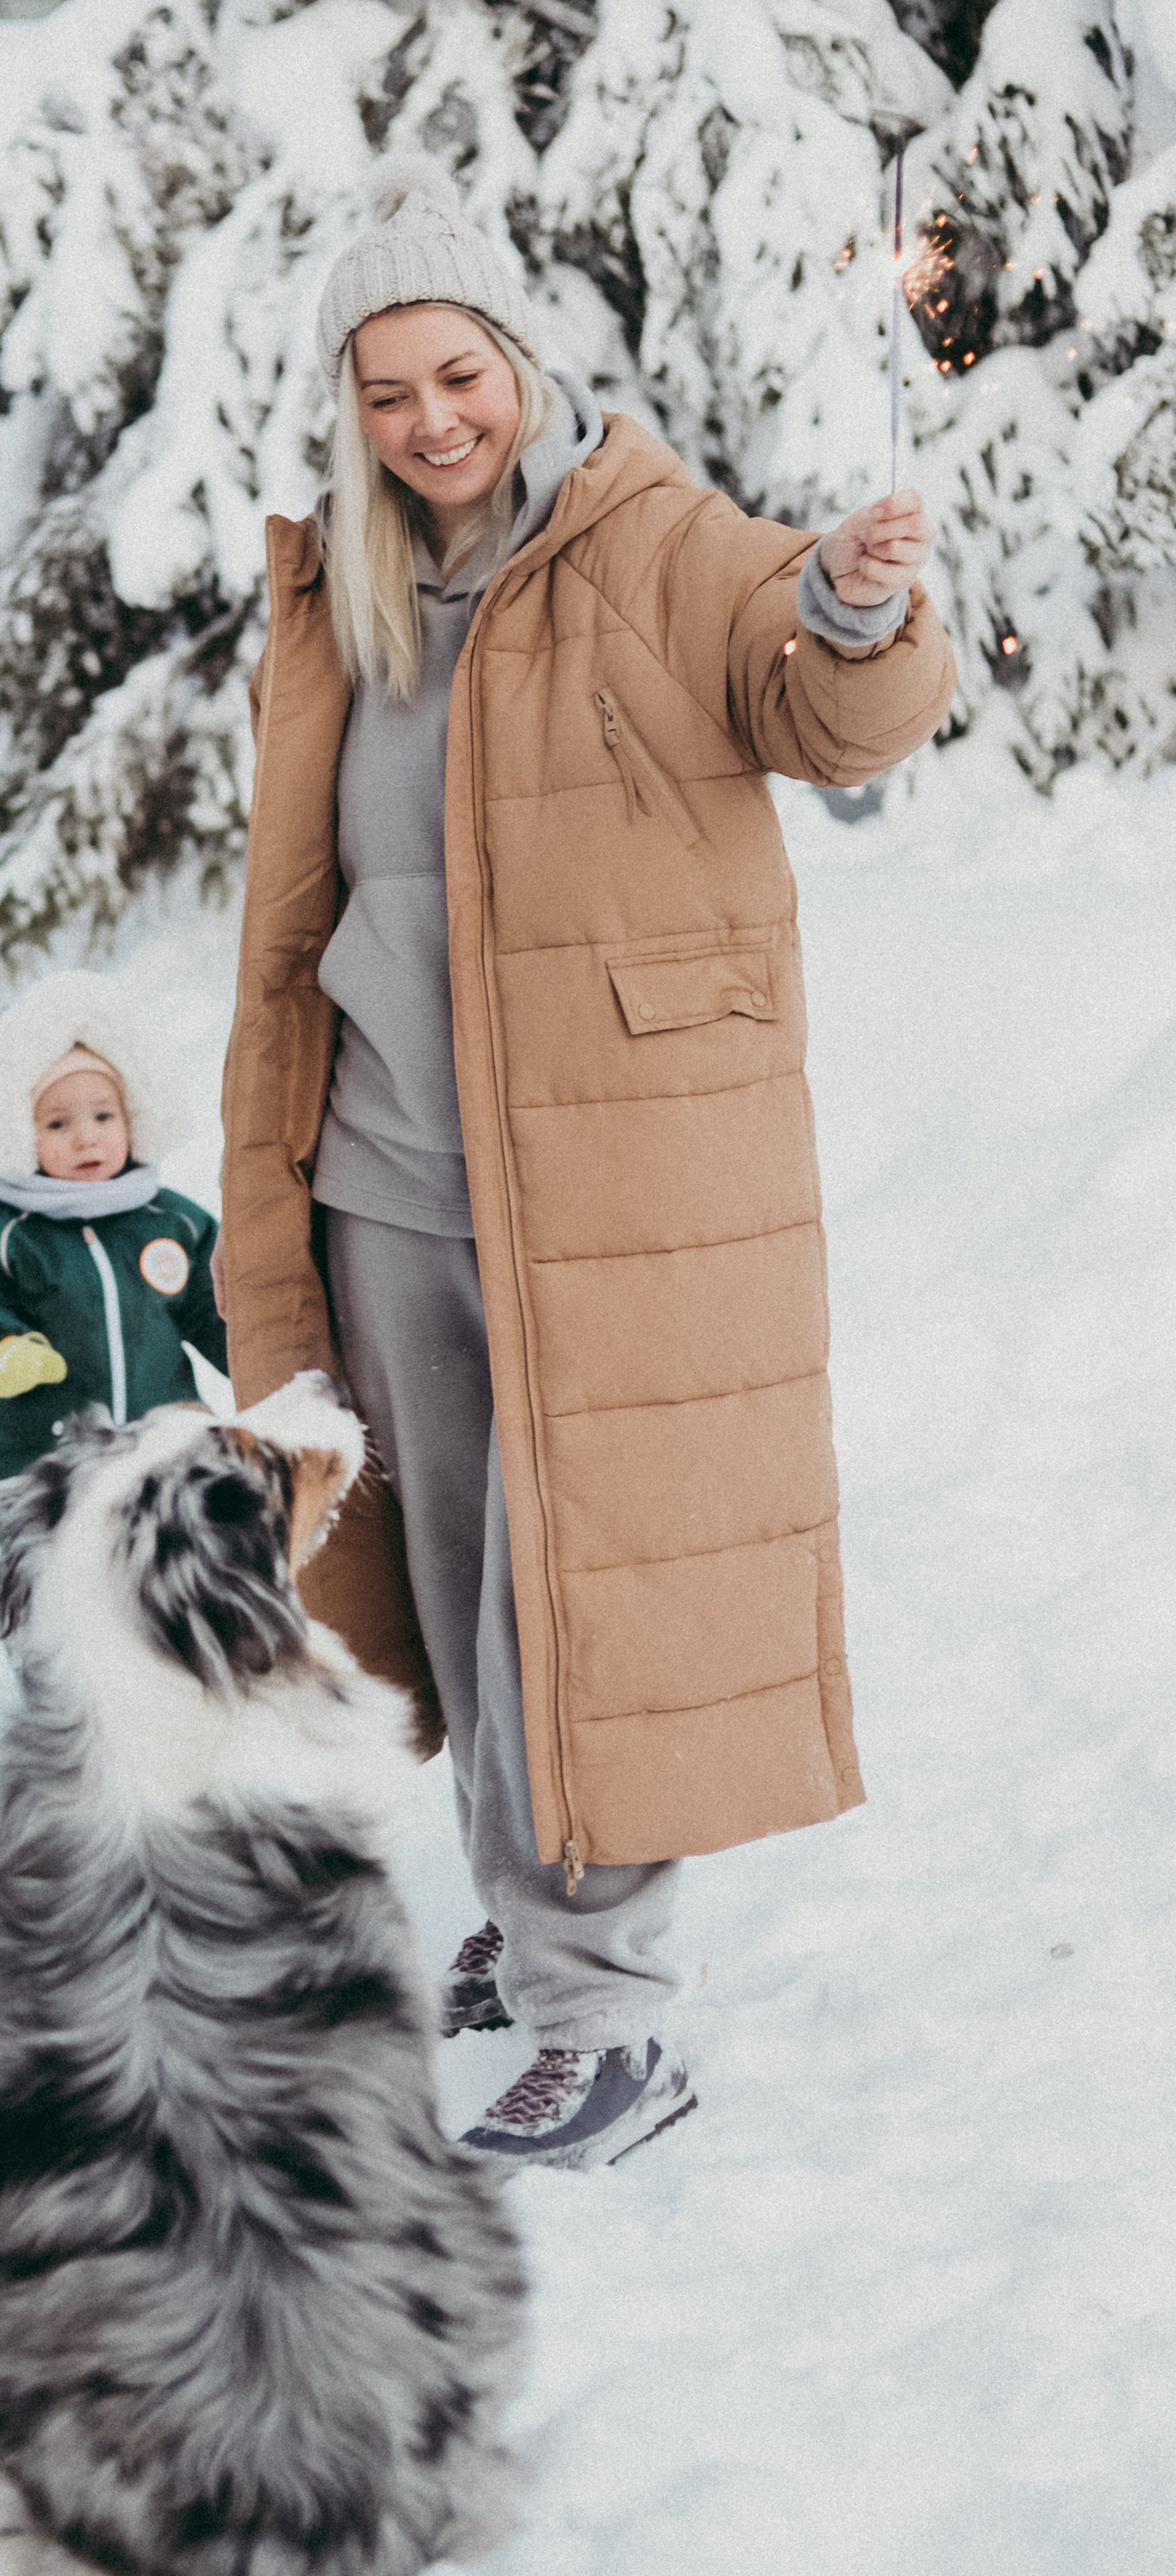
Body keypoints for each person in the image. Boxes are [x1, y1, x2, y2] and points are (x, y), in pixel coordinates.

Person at [214, 162, 955, 2172]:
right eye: (384, 392)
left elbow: (814, 707)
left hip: (599, 1189)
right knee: (454, 1595)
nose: (428, 420)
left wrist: (858, 606)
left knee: (573, 1603)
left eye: (454, 373)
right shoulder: (349, 595)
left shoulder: (649, 539)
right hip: (384, 1176)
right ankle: (539, 1922)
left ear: (517, 363)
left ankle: (606, 2012)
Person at [0, 970, 228, 1497]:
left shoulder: (173, 1222)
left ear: (134, 1119)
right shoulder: (1, 1231)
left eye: (104, 1116)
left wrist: (265, 1354)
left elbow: (217, 1307)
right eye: (58, 1124)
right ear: (21, 1130)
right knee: (60, 1575)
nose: (86, 1137)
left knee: (169, 1572)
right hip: (45, 1463)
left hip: (166, 1455)